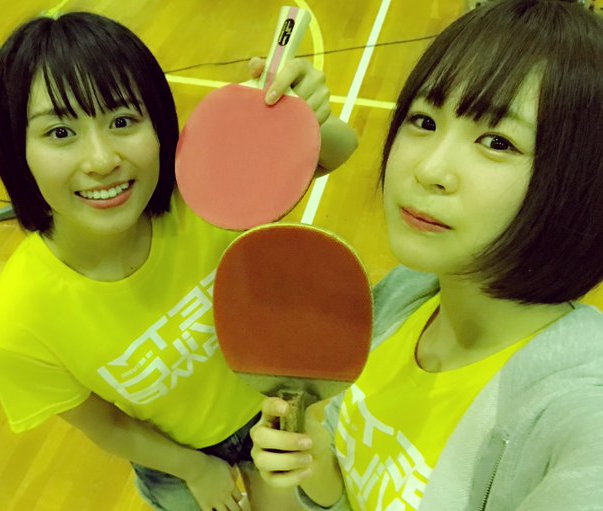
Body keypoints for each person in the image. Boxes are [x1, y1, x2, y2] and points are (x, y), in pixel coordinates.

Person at [0, 11, 357, 511]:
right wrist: (194, 469)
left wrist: (308, 116)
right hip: (173, 458)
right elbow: (108, 426)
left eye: (122, 121)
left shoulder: (206, 188)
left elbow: (336, 152)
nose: (101, 160)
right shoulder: (10, 325)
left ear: (157, 122)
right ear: (15, 149)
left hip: (275, 415)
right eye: (61, 132)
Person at [250, 1, 603, 510]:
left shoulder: (577, 413)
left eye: (498, 142)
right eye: (423, 120)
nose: (430, 169)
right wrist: (316, 465)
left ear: (579, 181)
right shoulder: (404, 298)